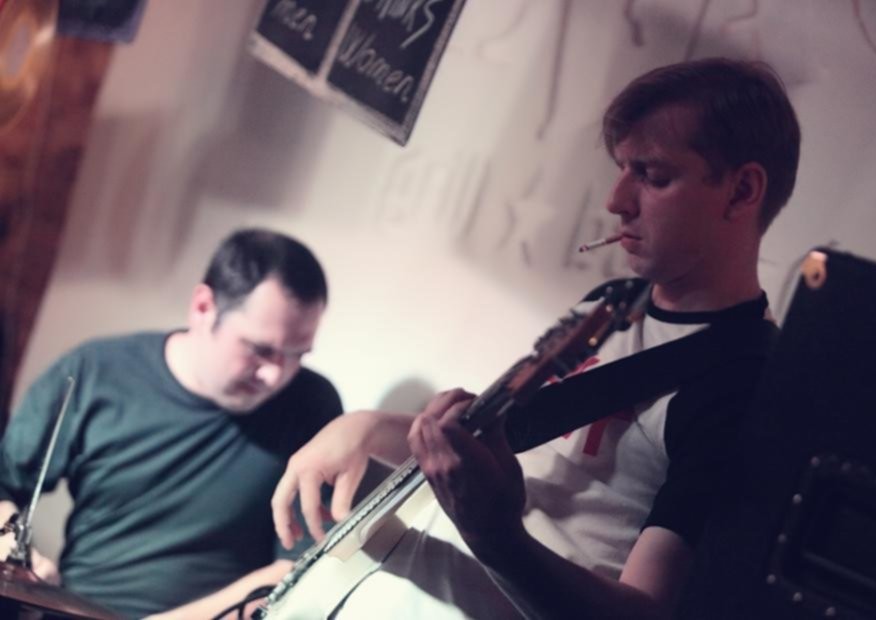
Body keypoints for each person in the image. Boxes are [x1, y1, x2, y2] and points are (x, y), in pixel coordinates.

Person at [269, 56, 800, 619]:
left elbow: (643, 613)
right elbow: (500, 455)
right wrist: (369, 428)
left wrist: (495, 536)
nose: (616, 201)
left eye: (653, 175)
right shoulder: (611, 304)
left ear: (741, 191)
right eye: (623, 169)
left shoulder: (744, 388)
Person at [0, 228, 343, 618]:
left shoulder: (311, 405)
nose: (275, 375)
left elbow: (299, 569)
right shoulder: (94, 372)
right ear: (203, 307)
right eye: (260, 349)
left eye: (297, 354)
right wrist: (11, 547)